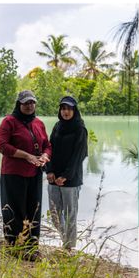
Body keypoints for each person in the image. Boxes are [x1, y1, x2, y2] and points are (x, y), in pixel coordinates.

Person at [0, 90, 51, 257]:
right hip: (14, 174)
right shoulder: (9, 122)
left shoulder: (39, 123)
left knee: (34, 210)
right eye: (26, 103)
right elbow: (2, 145)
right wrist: (26, 156)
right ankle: (14, 247)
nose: (29, 106)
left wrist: (45, 155)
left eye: (32, 102)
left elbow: (47, 145)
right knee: (14, 210)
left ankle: (32, 247)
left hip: (34, 173)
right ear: (19, 104)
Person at [45, 96, 88, 250]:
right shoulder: (57, 126)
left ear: (74, 111)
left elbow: (79, 155)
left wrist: (66, 176)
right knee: (55, 215)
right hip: (53, 178)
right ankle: (66, 241)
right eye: (63, 108)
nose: (66, 112)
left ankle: (69, 248)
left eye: (69, 109)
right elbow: (49, 149)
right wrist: (49, 170)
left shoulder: (80, 129)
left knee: (70, 215)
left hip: (71, 180)